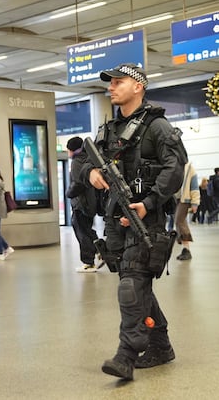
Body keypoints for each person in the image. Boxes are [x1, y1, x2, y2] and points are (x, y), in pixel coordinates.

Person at [81, 63, 187, 381]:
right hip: (115, 220)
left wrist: (150, 202)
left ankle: (127, 354)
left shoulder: (158, 127)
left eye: (118, 82)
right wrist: (91, 172)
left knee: (131, 286)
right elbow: (85, 160)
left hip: (147, 218)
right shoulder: (109, 130)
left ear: (138, 86)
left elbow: (176, 167)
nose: (111, 87)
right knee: (136, 286)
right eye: (110, 83)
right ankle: (161, 345)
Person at [65, 136, 99, 273]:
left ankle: (88, 262)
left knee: (82, 231)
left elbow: (78, 183)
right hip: (90, 202)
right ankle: (100, 250)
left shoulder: (76, 162)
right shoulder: (88, 159)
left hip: (81, 203)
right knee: (86, 229)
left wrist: (69, 193)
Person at [174, 162, 199, 261]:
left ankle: (187, 250)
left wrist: (195, 203)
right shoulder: (173, 165)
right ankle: (185, 249)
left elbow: (194, 186)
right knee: (181, 222)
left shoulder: (189, 168)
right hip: (175, 199)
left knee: (179, 221)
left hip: (185, 199)